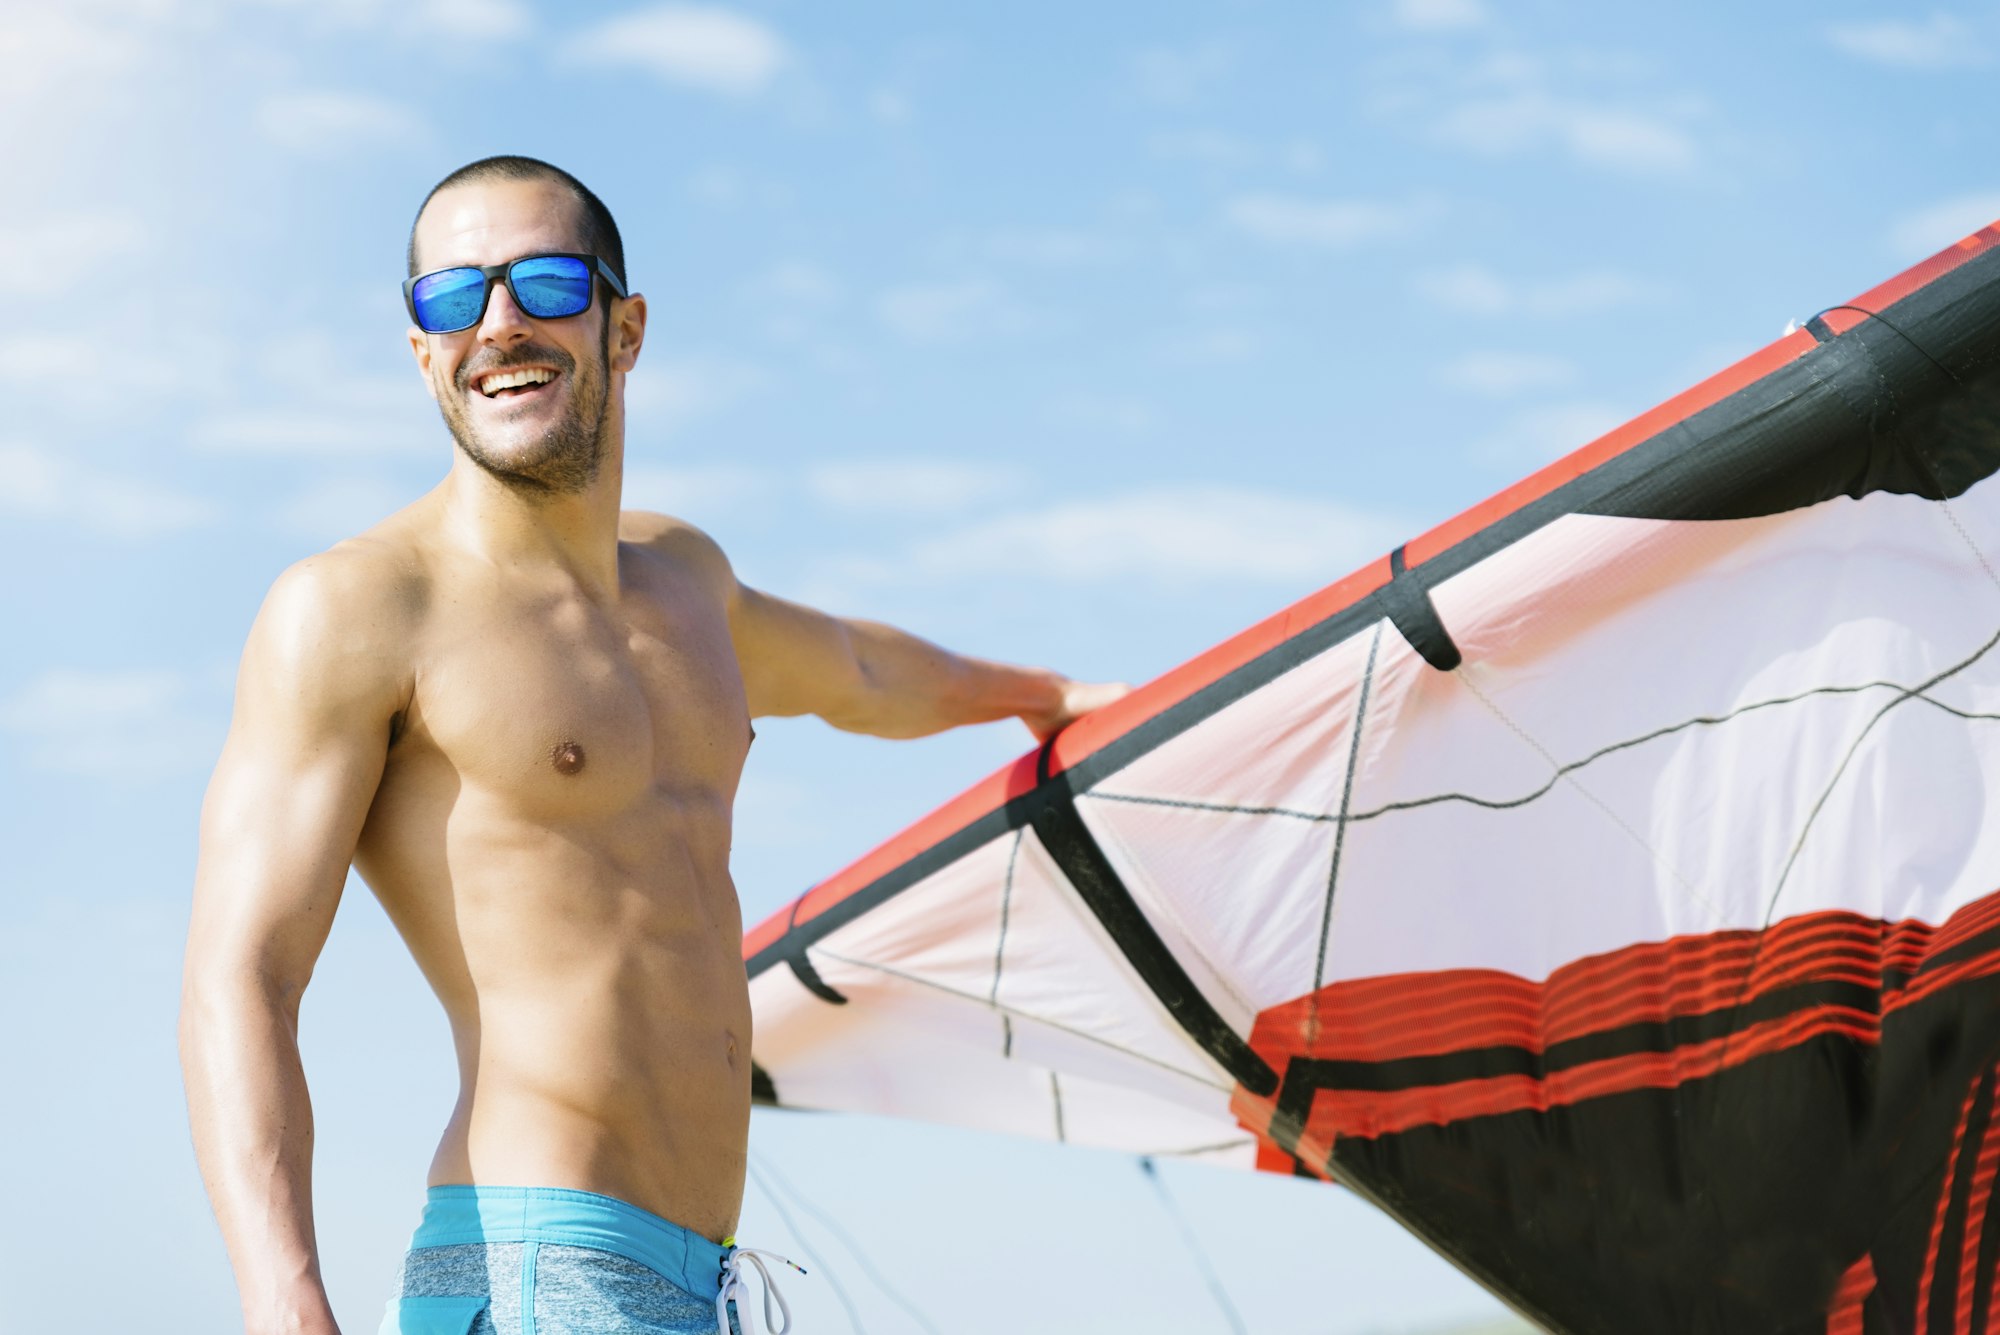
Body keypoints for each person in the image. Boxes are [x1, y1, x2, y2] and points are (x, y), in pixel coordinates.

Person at [178, 155, 1129, 1335]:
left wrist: (1050, 694)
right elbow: (243, 974)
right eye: (451, 298)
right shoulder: (360, 609)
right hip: (534, 1269)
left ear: (623, 328)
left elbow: (864, 670)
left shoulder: (687, 583)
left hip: (703, 1280)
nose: (499, 322)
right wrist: (283, 1298)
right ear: (419, 350)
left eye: (542, 280)